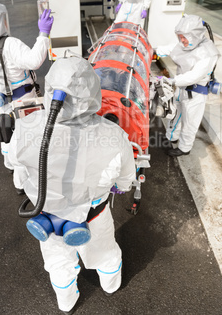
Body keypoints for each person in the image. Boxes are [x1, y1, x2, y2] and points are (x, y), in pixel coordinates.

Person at [8, 54, 136, 314]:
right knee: (105, 252)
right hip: (94, 216)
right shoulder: (114, 136)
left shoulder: (24, 127)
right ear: (92, 92)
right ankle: (111, 285)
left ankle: (66, 303)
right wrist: (118, 187)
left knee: (57, 262)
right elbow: (126, 179)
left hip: (44, 212)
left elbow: (15, 168)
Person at [0, 0, 54, 190]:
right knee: (25, 140)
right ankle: (22, 182)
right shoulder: (9, 44)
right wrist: (43, 34)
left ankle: (9, 164)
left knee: (5, 133)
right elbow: (34, 61)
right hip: (23, 102)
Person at [155, 15, 220, 156]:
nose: (181, 41)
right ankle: (171, 137)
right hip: (180, 89)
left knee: (190, 122)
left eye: (184, 37)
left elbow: (193, 77)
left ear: (195, 35)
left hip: (195, 93)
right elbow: (172, 48)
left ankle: (184, 148)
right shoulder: (187, 44)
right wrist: (154, 51)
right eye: (180, 37)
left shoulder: (208, 53)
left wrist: (170, 81)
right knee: (175, 114)